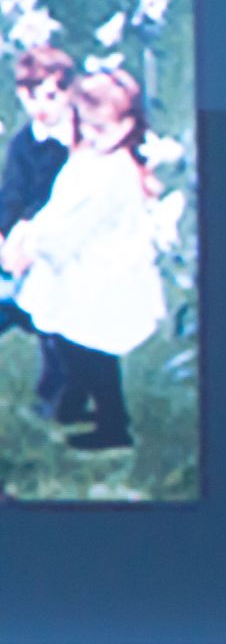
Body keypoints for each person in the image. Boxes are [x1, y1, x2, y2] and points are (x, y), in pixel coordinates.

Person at [0, 66, 166, 451]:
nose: (91, 135)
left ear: (128, 125)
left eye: (101, 128)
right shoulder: (89, 157)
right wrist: (28, 233)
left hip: (99, 276)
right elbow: (60, 208)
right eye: (85, 125)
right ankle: (75, 403)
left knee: (90, 349)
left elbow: (75, 226)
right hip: (77, 267)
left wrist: (30, 247)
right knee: (69, 341)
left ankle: (113, 425)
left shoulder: (115, 172)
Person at [0, 45, 77, 416]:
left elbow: (67, 201)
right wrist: (5, 236)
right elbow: (12, 193)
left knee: (55, 315)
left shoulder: (79, 144)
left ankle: (58, 391)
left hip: (60, 241)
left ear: (69, 94)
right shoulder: (23, 142)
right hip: (20, 242)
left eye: (50, 96)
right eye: (31, 97)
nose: (41, 107)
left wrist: (29, 238)